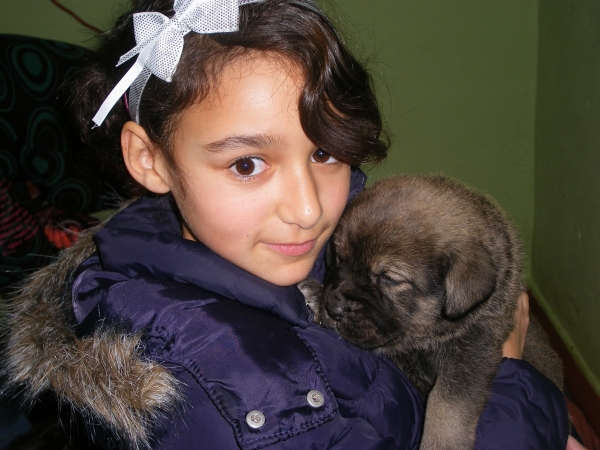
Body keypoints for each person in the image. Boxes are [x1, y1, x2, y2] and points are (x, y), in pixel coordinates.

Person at [1, 0, 571, 449]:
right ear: (150, 159)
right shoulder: (233, 398)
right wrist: (517, 384)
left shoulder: (264, 244)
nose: (309, 209)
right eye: (247, 164)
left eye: (325, 152)